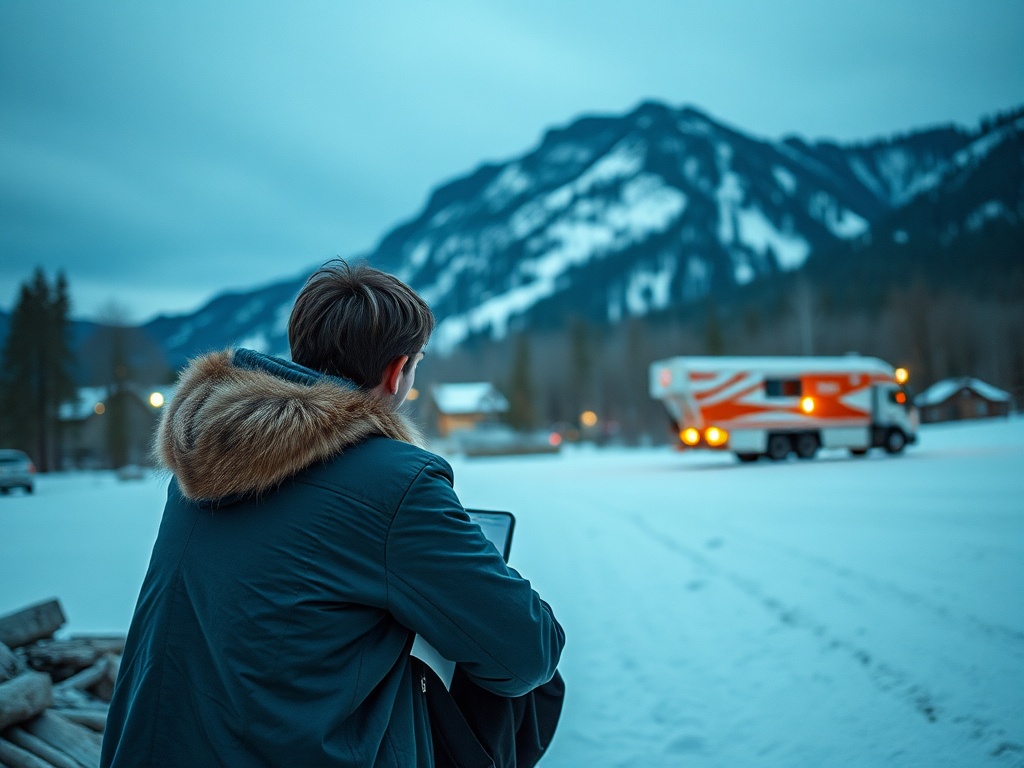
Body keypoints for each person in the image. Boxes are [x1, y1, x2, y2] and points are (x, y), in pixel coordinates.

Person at [101, 260, 565, 767]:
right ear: (397, 370)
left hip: (158, 751)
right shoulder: (392, 481)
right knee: (523, 687)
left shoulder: (208, 456)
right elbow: (527, 652)